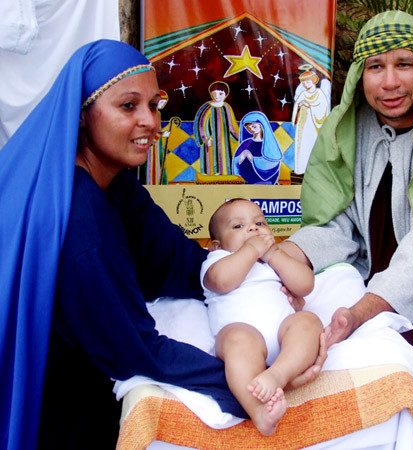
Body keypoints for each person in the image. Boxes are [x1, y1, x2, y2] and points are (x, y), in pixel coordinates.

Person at [0, 40, 254, 450]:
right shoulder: (84, 226)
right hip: (60, 410)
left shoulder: (113, 179)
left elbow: (178, 260)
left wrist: (261, 276)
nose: (150, 122)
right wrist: (256, 375)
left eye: (154, 105)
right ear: (83, 115)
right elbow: (135, 351)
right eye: (127, 107)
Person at [280, 10, 413, 448]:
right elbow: (335, 221)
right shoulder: (351, 129)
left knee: (379, 371)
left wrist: (360, 313)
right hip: (361, 280)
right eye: (375, 67)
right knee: (297, 343)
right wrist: (285, 258)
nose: (390, 82)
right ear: (360, 76)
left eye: (404, 64)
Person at [202, 198, 324, 436]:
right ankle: (259, 412)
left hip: (284, 339)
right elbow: (222, 281)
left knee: (308, 321)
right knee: (237, 337)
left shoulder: (271, 261)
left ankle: (279, 373)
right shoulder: (216, 261)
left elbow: (306, 284)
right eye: (238, 226)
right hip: (245, 343)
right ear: (215, 246)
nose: (252, 228)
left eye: (260, 223)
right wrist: (251, 249)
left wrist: (274, 255)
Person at [194, 81, 239, 176]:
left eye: (220, 93)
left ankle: (224, 174)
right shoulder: (206, 107)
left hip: (224, 140)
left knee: (224, 156)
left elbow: (232, 124)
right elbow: (200, 123)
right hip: (211, 140)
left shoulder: (227, 107)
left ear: (226, 94)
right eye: (213, 93)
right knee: (210, 156)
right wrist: (205, 138)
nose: (216, 96)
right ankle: (210, 174)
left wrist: (238, 137)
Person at [291, 69, 330, 175]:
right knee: (302, 146)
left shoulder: (320, 93)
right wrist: (300, 105)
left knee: (313, 145)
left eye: (307, 81)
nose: (305, 84)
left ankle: (315, 171)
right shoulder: (303, 94)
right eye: (303, 82)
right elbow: (296, 108)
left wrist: (310, 106)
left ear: (313, 81)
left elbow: (323, 110)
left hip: (314, 125)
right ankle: (301, 169)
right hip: (302, 126)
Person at [232, 111, 283, 184]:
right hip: (249, 179)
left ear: (261, 125)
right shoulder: (246, 144)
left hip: (269, 180)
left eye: (253, 126)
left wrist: (252, 159)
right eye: (248, 128)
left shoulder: (269, 143)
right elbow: (236, 163)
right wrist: (243, 156)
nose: (251, 129)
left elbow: (273, 163)